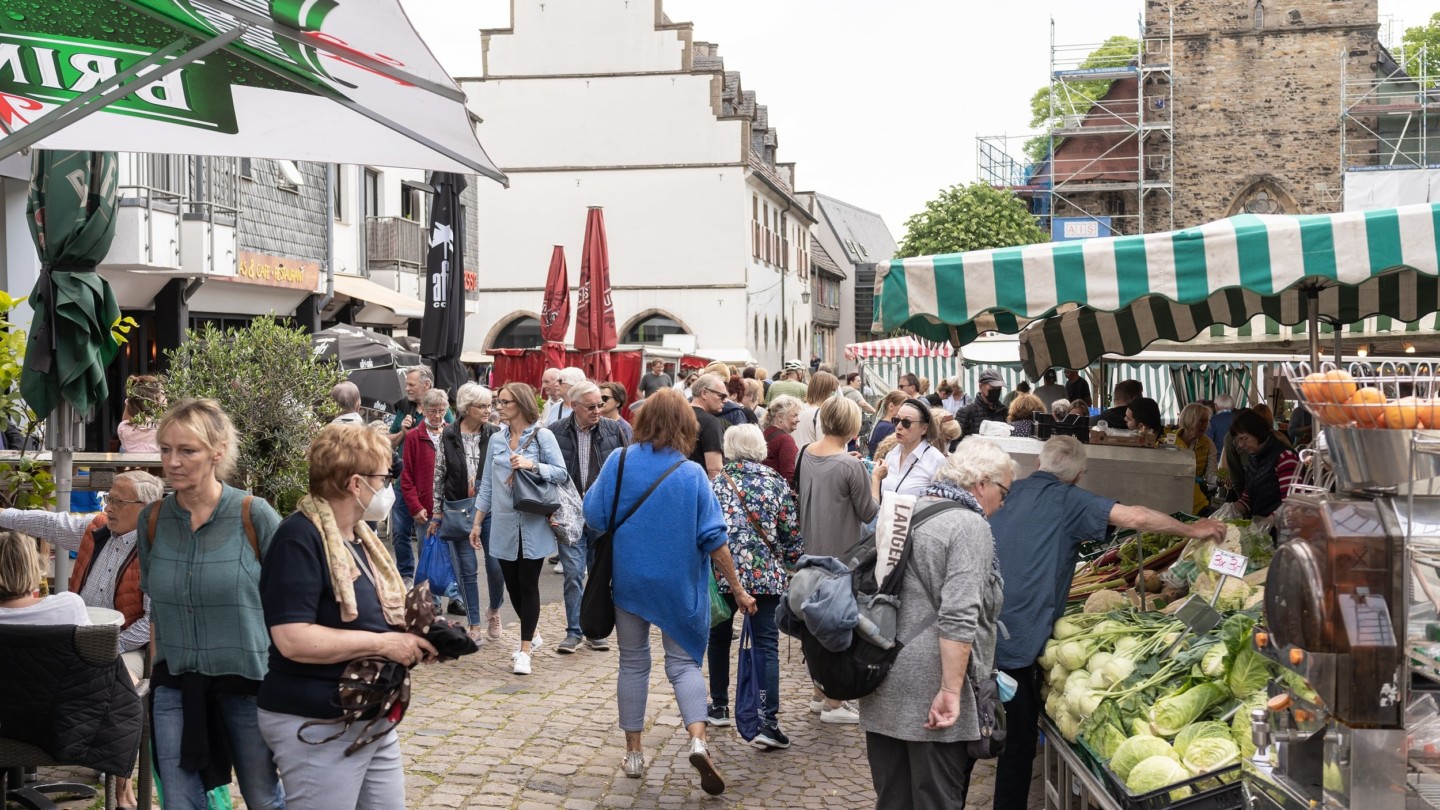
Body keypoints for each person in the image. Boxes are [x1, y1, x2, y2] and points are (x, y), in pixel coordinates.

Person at [989, 436, 1226, 809]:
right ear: (1079, 475)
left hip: (980, 627)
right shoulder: (1068, 499)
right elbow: (1136, 517)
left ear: (1039, 463)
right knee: (1017, 746)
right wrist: (1195, 530)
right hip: (1018, 636)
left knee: (964, 741)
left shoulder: (1008, 490)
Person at [581, 388, 755, 793]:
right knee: (683, 666)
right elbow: (715, 539)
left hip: (628, 581)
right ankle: (698, 739)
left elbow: (593, 515)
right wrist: (738, 588)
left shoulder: (618, 461)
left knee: (634, 663)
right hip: (678, 585)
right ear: (686, 427)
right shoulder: (693, 474)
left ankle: (635, 753)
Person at [256, 425, 439, 810]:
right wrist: (385, 643)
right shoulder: (299, 538)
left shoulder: (357, 536)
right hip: (317, 717)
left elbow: (371, 616)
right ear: (357, 484)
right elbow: (293, 638)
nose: (387, 487)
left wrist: (423, 636)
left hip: (371, 710)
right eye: (383, 478)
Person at [137, 399, 285, 810]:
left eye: (187, 450)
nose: (172, 461)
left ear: (217, 452)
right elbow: (156, 611)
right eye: (165, 449)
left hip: (250, 685)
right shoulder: (151, 521)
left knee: (262, 797)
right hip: (175, 685)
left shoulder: (253, 515)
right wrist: (155, 672)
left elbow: (289, 602)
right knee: (180, 803)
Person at [860, 438, 1017, 810]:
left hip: (883, 675)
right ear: (981, 483)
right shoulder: (968, 525)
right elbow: (959, 615)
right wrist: (950, 690)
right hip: (933, 688)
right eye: (1004, 491)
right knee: (936, 800)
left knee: (892, 799)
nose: (1004, 502)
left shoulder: (909, 508)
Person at [0, 470, 164, 686]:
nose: (108, 507)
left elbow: (150, 624)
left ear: (145, 508)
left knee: (107, 682)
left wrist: (105, 646)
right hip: (75, 636)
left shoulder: (157, 550)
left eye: (118, 501)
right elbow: (48, 523)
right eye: (108, 498)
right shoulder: (97, 527)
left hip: (124, 646)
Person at [706, 424, 802, 748]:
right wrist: (792, 563)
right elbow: (790, 533)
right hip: (766, 576)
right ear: (760, 446)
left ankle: (718, 705)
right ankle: (767, 722)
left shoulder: (716, 484)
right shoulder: (774, 482)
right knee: (766, 645)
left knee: (718, 639)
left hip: (723, 573)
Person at [470, 382, 569, 676]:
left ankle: (524, 649)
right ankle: (533, 632)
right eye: (498, 402)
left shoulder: (543, 436)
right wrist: (476, 522)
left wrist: (532, 465)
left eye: (505, 402)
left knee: (528, 584)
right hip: (501, 524)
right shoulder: (496, 440)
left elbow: (562, 474)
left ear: (521, 404)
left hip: (533, 523)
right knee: (511, 585)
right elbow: (487, 484)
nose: (499, 407)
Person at [795, 396, 878, 724]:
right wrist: (877, 478)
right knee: (837, 629)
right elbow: (870, 511)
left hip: (810, 551)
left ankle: (819, 694)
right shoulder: (850, 465)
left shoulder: (806, 453)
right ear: (852, 425)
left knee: (815, 628)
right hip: (842, 556)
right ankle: (834, 700)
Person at [551, 380, 628, 654]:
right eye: (591, 406)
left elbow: (625, 472)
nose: (598, 410)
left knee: (598, 575)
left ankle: (595, 629)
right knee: (572, 573)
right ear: (573, 407)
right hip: (568, 514)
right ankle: (573, 632)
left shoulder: (615, 430)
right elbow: (547, 477)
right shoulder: (555, 432)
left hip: (602, 514)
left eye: (601, 404)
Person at [428, 384, 504, 643]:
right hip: (459, 508)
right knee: (468, 569)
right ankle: (474, 623)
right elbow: (439, 476)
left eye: (489, 405)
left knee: (496, 567)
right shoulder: (448, 435)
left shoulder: (496, 433)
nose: (488, 410)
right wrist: (436, 514)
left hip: (491, 508)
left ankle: (494, 609)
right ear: (466, 408)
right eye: (482, 406)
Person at [388, 366, 450, 584]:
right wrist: (403, 432)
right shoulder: (403, 407)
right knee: (399, 533)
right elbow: (391, 441)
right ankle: (406, 575)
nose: (408, 389)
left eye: (411, 384)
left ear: (426, 384)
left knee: (429, 541)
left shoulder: (442, 410)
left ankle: (435, 586)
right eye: (407, 385)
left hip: (428, 489)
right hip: (405, 482)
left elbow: (448, 432)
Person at [401, 388, 449, 607]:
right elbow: (407, 477)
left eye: (441, 410)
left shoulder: (452, 433)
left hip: (450, 507)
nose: (437, 415)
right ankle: (432, 600)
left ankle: (455, 597)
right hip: (425, 508)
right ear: (424, 411)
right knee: (427, 556)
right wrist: (415, 506)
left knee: (452, 555)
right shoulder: (413, 437)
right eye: (432, 411)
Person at [1229, 409, 1301, 519]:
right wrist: (1228, 511)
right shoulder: (1254, 457)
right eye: (1237, 440)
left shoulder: (1285, 457)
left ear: (1257, 432)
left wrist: (1266, 523)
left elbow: (1291, 505)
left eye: (1244, 438)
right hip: (1261, 530)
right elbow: (1247, 500)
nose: (1241, 445)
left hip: (1281, 531)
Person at [872, 398, 946, 500]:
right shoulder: (891, 455)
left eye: (906, 422)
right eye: (896, 420)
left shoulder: (936, 460)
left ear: (924, 429)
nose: (898, 426)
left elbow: (941, 505)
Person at [1176, 402, 1218, 515]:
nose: (1205, 425)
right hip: (1173, 496)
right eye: (1201, 421)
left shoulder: (1209, 444)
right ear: (1189, 420)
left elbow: (1211, 474)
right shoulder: (1169, 442)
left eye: (1206, 421)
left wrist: (1220, 480)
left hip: (1197, 499)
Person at [688, 372, 728, 479]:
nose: (725, 400)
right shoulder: (710, 422)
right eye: (721, 396)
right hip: (698, 486)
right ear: (704, 393)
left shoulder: (677, 414)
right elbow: (714, 470)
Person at [761, 394, 802, 483]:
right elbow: (788, 476)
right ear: (780, 417)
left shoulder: (766, 432)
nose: (798, 420)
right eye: (794, 416)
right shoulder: (785, 440)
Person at [118, 374, 163, 453]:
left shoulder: (123, 428)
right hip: (156, 463)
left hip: (132, 462)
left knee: (123, 447)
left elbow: (125, 419)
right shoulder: (162, 427)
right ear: (156, 402)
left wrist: (130, 401)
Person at [792, 371, 839, 446]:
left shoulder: (798, 409)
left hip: (798, 455)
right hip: (815, 456)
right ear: (825, 391)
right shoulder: (821, 414)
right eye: (833, 390)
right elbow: (825, 446)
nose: (835, 394)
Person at [958, 370, 1007, 436]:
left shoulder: (1004, 411)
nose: (996, 391)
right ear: (981, 386)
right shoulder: (966, 411)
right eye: (993, 387)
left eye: (999, 388)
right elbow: (956, 442)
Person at [867, 390, 908, 459]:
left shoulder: (880, 425)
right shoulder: (890, 428)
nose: (906, 409)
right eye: (903, 405)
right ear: (891, 406)